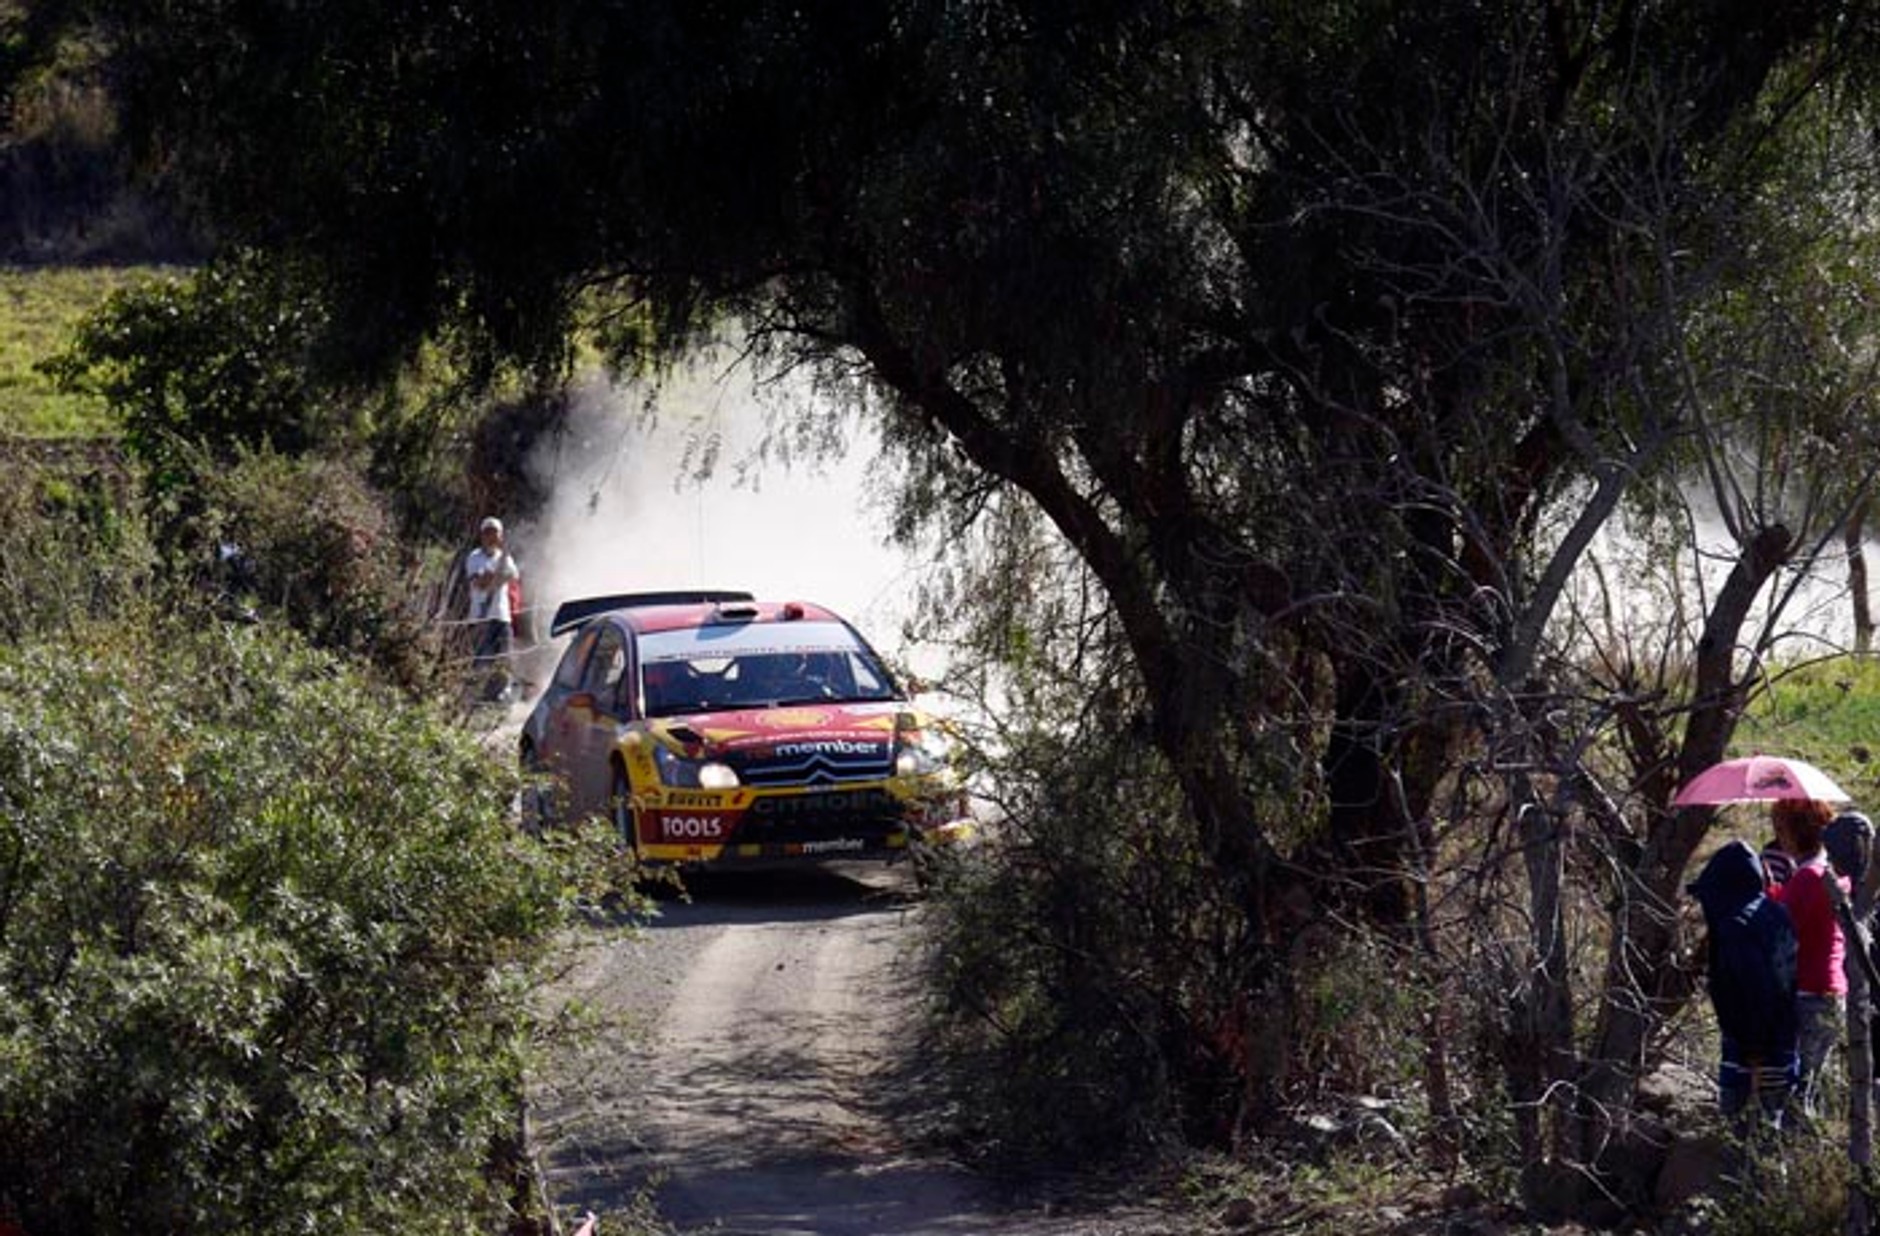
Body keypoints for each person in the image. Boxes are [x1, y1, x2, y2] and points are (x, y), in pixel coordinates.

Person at [1688, 839, 1800, 1130]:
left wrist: (1754, 1047)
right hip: (1784, 1036)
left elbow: (1755, 990)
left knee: (1741, 1127)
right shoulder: (1777, 913)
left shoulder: (1736, 927)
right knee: (1775, 1126)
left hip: (1752, 1046)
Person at [1768, 797, 1850, 1118]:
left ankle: (1792, 1141)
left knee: (1794, 1087)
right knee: (1811, 1083)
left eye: (1780, 828)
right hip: (1832, 989)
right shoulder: (1834, 873)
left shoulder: (1806, 877)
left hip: (1807, 990)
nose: (1778, 836)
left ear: (1795, 832)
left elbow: (1783, 930)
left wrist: (1770, 899)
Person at [465, 515, 521, 702]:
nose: (491, 537)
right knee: (482, 660)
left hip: (502, 616)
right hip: (481, 617)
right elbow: (480, 584)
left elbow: (513, 576)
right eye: (487, 532)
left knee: (505, 658)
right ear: (481, 535)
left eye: (494, 533)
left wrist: (494, 576)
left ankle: (499, 698)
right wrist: (497, 575)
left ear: (500, 536)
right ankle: (476, 699)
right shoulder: (474, 557)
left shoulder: (505, 557)